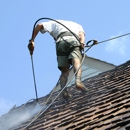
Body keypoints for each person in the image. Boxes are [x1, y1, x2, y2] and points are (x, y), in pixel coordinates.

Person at [28, 20, 88, 100]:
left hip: (60, 43)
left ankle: (64, 90)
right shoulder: (78, 25)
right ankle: (78, 81)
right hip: (73, 40)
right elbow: (81, 35)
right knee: (76, 61)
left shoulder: (54, 23)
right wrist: (82, 44)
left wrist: (32, 40)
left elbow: (39, 25)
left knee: (64, 71)